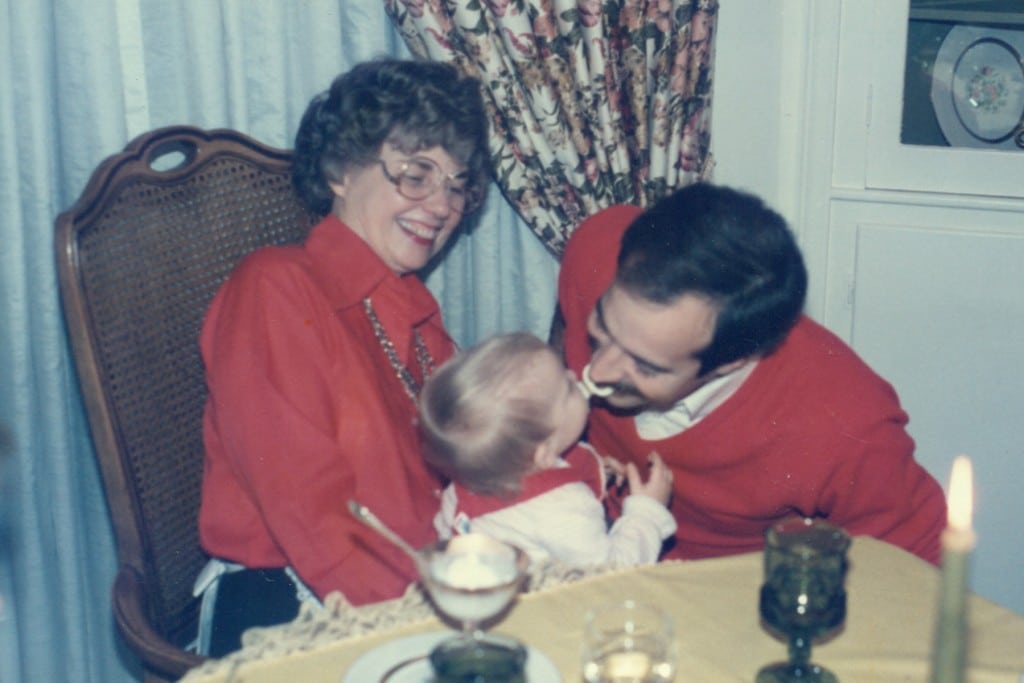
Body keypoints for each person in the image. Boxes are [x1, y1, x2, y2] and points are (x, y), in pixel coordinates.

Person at [193, 58, 490, 656]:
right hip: (286, 608)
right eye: (415, 173)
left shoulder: (417, 314)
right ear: (340, 171)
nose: (441, 204)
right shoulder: (275, 288)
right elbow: (312, 515)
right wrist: (433, 625)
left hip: (413, 593)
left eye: (457, 184)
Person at [556, 183, 947, 566]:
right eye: (603, 325)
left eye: (645, 365)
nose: (599, 370)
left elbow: (918, 563)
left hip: (719, 600)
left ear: (731, 361)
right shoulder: (596, 248)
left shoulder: (844, 423)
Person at [419, 332, 676, 566]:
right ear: (542, 453)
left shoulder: (467, 482)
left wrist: (595, 469)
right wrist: (646, 512)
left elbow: (444, 535)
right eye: (567, 389)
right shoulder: (563, 509)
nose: (575, 376)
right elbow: (614, 573)